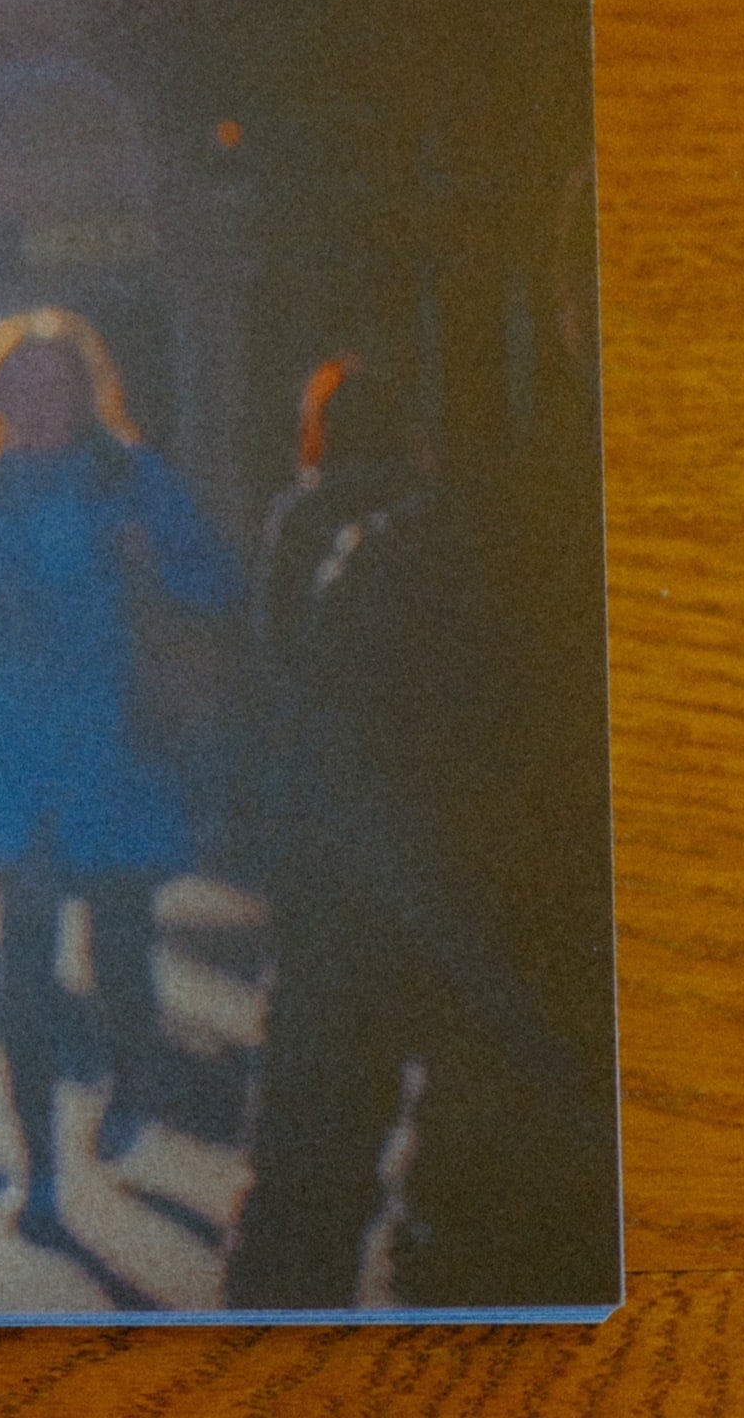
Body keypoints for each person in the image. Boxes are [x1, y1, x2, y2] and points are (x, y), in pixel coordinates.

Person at [225, 354, 611, 1308]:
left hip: (344, 884)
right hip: (466, 897)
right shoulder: (478, 540)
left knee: (311, 1176)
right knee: (454, 1185)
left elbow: (286, 674)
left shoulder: (320, 528)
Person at [0, 309, 239, 1248]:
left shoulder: (133, 480)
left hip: (117, 756)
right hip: (18, 766)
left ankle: (134, 1079)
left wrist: (155, 559)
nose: (38, 405)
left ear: (86, 396)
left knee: (120, 956)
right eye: (20, 389)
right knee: (24, 975)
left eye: (54, 387)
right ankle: (40, 1173)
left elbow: (216, 581)